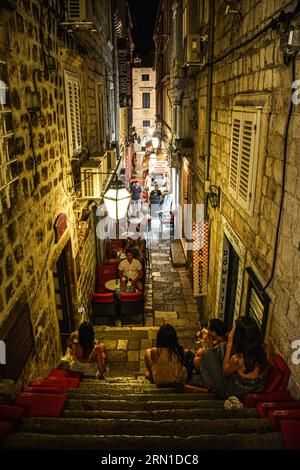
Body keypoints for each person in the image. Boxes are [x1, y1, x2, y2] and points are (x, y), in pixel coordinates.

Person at [199, 316, 268, 400]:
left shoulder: (237, 360)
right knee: (221, 347)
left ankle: (211, 388)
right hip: (252, 387)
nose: (232, 330)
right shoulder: (264, 349)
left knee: (207, 354)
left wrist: (229, 344)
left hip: (230, 392)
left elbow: (225, 372)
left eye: (235, 329)